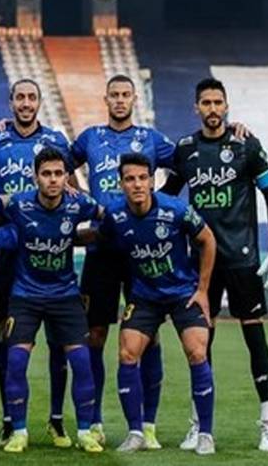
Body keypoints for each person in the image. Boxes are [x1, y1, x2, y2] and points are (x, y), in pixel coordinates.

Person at [171, 78, 268, 453]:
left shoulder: (246, 145)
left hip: (242, 259)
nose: (212, 108)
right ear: (196, 107)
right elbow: (167, 196)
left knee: (255, 338)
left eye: (218, 102)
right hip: (201, 263)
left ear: (227, 105)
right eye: (206, 102)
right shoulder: (185, 150)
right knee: (200, 343)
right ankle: (198, 424)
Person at [81, 153, 219, 455]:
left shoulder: (176, 210)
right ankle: (136, 432)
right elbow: (99, 237)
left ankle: (206, 434)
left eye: (143, 178)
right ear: (121, 184)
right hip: (145, 296)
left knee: (197, 351)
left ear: (152, 181)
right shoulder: (115, 215)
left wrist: (203, 290)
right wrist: (63, 233)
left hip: (182, 292)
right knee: (127, 352)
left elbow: (208, 240)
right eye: (130, 179)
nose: (137, 184)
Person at [69, 74, 177, 448]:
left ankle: (148, 424)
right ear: (106, 99)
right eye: (113, 94)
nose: (119, 100)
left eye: (125, 94)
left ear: (134, 99)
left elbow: (185, 164)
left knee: (149, 336)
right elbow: (58, 164)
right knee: (94, 335)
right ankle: (94, 421)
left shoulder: (151, 139)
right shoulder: (90, 138)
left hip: (140, 252)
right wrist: (83, 198)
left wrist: (159, 200)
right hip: (101, 248)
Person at [0, 79, 73, 447]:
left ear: (40, 102)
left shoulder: (56, 142)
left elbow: (70, 184)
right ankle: (8, 418)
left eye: (32, 97)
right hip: (9, 248)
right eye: (20, 97)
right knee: (7, 335)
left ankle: (56, 419)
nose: (26, 103)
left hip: (51, 248)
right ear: (11, 101)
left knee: (58, 338)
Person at [0, 148, 105, 453]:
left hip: (65, 295)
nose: (53, 179)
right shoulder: (19, 204)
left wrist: (88, 237)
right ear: (36, 177)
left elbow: (108, 218)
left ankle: (84, 431)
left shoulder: (78, 203)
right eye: (46, 174)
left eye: (59, 173)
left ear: (67, 177)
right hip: (25, 295)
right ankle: (19, 432)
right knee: (15, 361)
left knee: (82, 361)